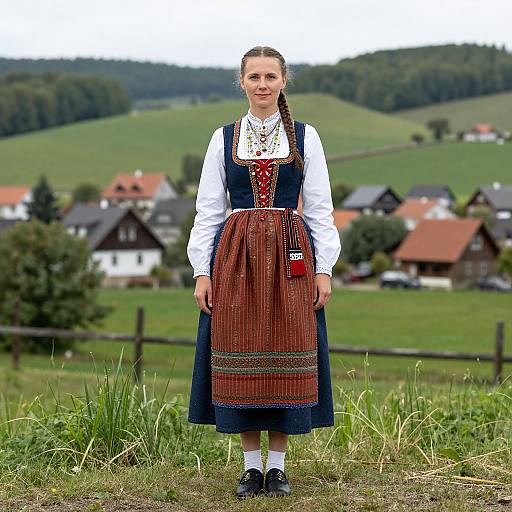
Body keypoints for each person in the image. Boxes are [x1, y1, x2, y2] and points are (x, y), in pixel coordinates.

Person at [186, 45, 341, 498]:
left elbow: (319, 208)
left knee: (286, 349)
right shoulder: (223, 137)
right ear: (242, 82)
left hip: (292, 256)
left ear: (283, 81)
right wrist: (202, 270)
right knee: (241, 350)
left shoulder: (306, 138)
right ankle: (250, 466)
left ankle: (277, 467)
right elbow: (208, 211)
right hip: (234, 259)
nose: (262, 85)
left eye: (270, 76)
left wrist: (324, 268)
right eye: (254, 77)